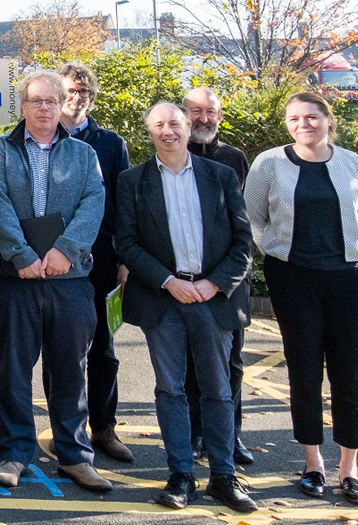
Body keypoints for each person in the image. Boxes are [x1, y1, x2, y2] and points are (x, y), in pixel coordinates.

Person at [116, 102, 257, 513]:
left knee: (217, 389)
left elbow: (243, 241)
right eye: (158, 125)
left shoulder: (221, 176)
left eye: (174, 123)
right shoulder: (132, 181)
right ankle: (180, 475)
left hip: (214, 300)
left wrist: (215, 284)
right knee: (170, 389)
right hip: (164, 299)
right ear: (150, 131)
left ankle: (223, 476)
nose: (168, 131)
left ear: (188, 126)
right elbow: (126, 243)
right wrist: (169, 281)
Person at [246, 92, 358, 506]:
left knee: (349, 376)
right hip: (293, 278)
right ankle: (313, 463)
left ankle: (349, 469)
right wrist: (276, 250)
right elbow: (253, 215)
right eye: (294, 119)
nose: (303, 124)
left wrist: (348, 252)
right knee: (304, 373)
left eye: (311, 117)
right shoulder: (269, 163)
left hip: (348, 279)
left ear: (327, 120)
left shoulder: (353, 164)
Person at [0, 71, 110, 493]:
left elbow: (93, 203)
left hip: (68, 278)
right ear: (25, 105)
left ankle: (74, 455)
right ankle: (15, 453)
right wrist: (22, 255)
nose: (43, 108)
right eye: (35, 101)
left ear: (61, 105)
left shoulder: (83, 154)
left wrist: (64, 251)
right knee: (15, 371)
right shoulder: (1, 149)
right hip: (16, 279)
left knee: (70, 370)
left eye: (51, 101)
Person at [54, 63, 133, 463]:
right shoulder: (39, 138)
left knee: (103, 348)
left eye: (84, 90)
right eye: (70, 88)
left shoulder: (111, 143)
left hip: (100, 258)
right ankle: (63, 430)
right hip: (52, 259)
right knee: (62, 350)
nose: (77, 95)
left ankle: (103, 427)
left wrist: (122, 259)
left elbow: (122, 207)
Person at [183, 86, 254, 465]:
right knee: (192, 362)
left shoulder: (235, 159)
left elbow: (243, 222)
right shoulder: (174, 153)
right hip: (187, 278)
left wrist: (225, 275)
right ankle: (196, 434)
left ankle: (230, 435)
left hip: (227, 279)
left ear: (220, 116)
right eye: (196, 111)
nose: (203, 118)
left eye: (211, 112)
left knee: (233, 362)